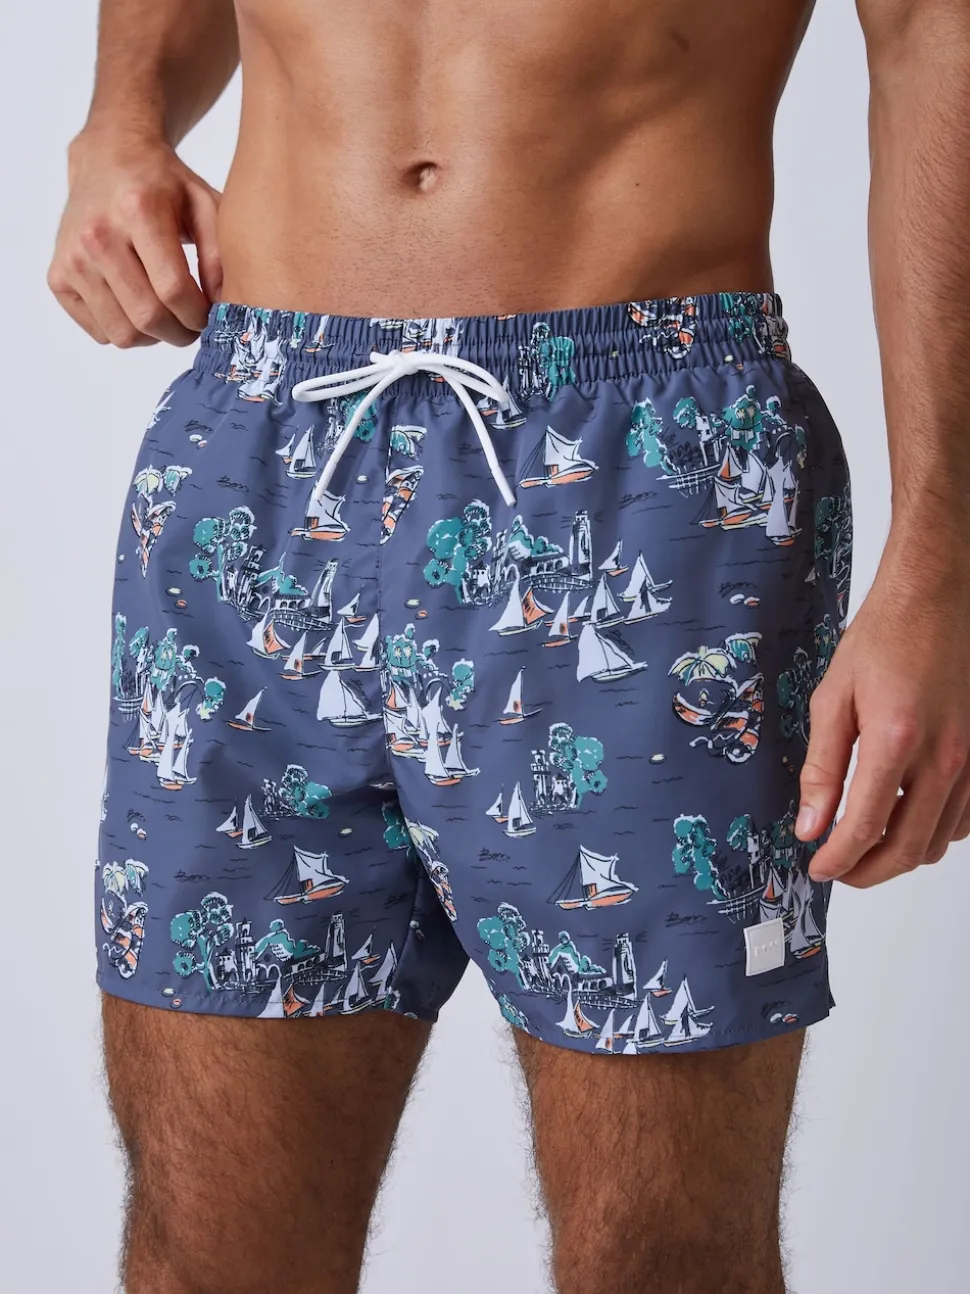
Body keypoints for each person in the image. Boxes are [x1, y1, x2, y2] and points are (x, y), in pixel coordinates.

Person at [49, 1, 970, 1291]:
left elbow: (932, 30)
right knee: (209, 1249)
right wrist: (121, 119)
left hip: (647, 468)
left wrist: (941, 570)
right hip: (260, 439)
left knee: (665, 1263)